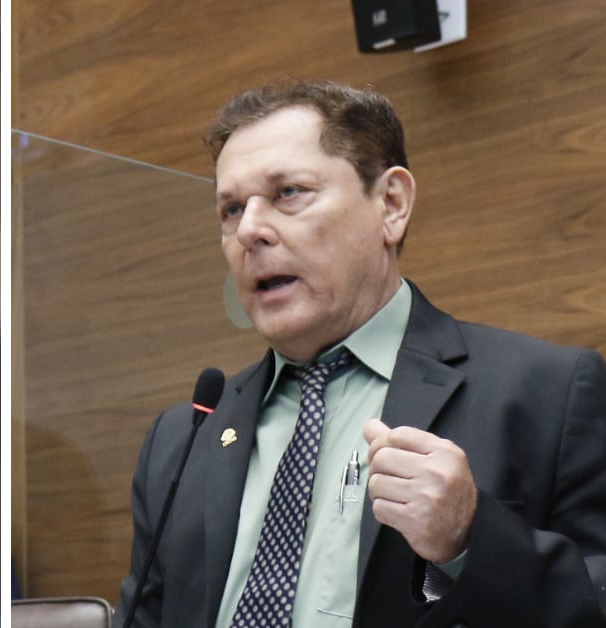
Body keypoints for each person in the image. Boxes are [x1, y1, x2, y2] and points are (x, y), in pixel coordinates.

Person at [115, 80, 606, 627]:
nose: (249, 230)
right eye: (230, 209)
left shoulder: (546, 393)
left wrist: (472, 537)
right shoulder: (182, 439)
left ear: (391, 205)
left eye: (288, 193)